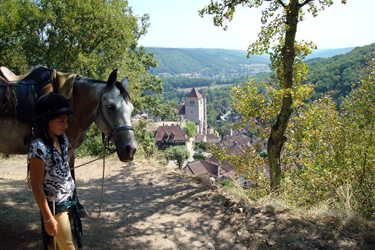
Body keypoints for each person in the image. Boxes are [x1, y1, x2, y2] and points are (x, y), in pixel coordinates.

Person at [28, 93, 83, 250]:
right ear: (46, 120)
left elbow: (70, 150)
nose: (65, 125)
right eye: (61, 121)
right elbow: (37, 185)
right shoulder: (38, 147)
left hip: (70, 200)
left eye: (66, 121)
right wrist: (47, 218)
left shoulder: (62, 138)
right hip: (56, 207)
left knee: (56, 246)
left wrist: (62, 166)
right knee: (67, 247)